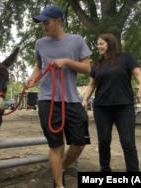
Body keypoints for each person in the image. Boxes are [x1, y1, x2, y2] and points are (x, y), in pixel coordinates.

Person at [26, 4, 92, 188]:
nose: (43, 27)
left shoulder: (77, 40)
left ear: (58, 21)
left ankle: (60, 168)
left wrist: (67, 62)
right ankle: (59, 185)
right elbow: (39, 66)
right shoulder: (40, 43)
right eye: (41, 24)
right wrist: (32, 79)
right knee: (55, 145)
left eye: (46, 23)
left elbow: (87, 68)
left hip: (71, 99)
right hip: (47, 99)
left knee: (79, 144)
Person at [82, 33, 141, 172]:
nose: (99, 46)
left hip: (124, 107)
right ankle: (105, 170)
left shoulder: (125, 58)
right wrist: (85, 99)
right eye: (98, 44)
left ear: (110, 43)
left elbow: (138, 73)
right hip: (102, 108)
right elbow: (92, 84)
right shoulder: (97, 64)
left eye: (101, 44)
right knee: (104, 142)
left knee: (128, 142)